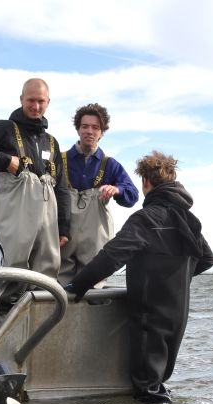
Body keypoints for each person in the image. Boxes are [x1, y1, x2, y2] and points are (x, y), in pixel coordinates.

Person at [66, 151, 213, 404]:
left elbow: (111, 257)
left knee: (148, 390)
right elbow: (207, 258)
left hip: (149, 313)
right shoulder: (188, 219)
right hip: (178, 313)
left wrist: (76, 286)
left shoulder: (145, 219)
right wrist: (176, 278)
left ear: (146, 182)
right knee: (159, 381)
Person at [0, 78, 71, 303]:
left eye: (41, 101)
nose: (36, 106)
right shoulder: (4, 128)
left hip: (47, 217)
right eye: (31, 100)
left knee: (47, 270)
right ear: (21, 99)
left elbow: (61, 186)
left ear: (48, 102)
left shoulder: (52, 142)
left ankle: (40, 321)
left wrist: (64, 227)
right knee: (10, 268)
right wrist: (3, 160)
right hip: (15, 213)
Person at [57, 103, 139, 285]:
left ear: (102, 132)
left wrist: (118, 190)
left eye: (95, 127)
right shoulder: (59, 160)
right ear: (78, 129)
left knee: (93, 285)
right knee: (58, 284)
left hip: (95, 240)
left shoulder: (110, 165)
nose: (89, 131)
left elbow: (133, 196)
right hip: (63, 235)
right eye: (85, 126)